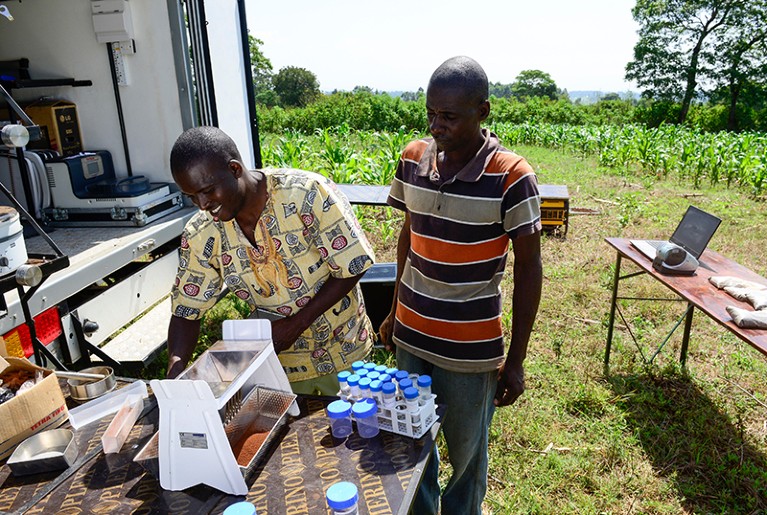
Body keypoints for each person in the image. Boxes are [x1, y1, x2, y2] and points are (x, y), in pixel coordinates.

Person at [379, 56, 543, 515]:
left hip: (470, 349)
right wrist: (394, 310)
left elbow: (531, 269)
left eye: (449, 116)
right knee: (412, 443)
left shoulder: (512, 175)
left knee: (467, 457)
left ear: (483, 111)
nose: (437, 126)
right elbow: (409, 236)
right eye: (431, 113)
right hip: (411, 335)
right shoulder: (412, 158)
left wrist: (516, 361)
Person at [166, 126, 376, 396]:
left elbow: (353, 264)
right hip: (277, 368)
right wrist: (175, 368)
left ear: (234, 169)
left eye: (207, 191)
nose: (202, 204)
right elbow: (185, 310)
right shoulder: (201, 234)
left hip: (343, 352)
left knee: (355, 431)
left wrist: (296, 325)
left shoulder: (307, 194)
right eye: (192, 196)